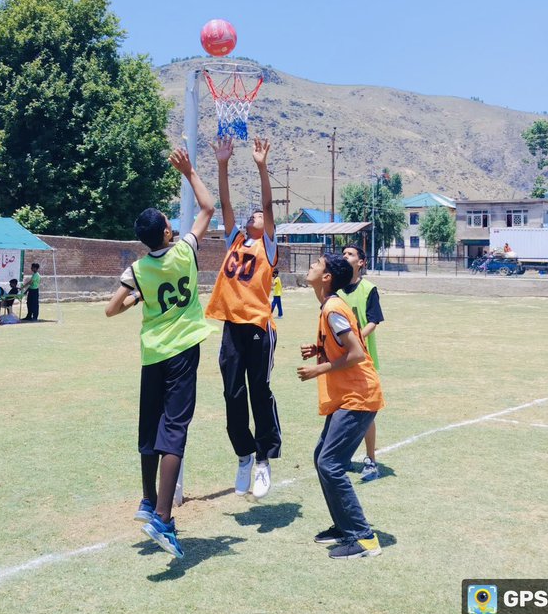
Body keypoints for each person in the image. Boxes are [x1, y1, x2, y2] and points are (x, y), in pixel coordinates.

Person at [105, 146, 215, 560]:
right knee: (174, 431)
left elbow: (111, 308)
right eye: (170, 222)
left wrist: (137, 300)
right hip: (183, 349)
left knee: (150, 428)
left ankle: (148, 500)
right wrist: (189, 172)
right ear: (168, 234)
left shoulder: (138, 270)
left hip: (152, 354)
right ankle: (164, 520)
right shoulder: (185, 251)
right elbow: (207, 207)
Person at [205, 136, 280, 500]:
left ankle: (265, 458)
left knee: (259, 392)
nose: (260, 215)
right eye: (256, 215)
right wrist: (223, 164)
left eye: (264, 216)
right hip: (232, 327)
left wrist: (261, 166)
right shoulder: (235, 240)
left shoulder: (268, 245)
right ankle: (244, 456)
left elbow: (267, 202)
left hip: (259, 328)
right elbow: (226, 203)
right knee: (232, 394)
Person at [298, 253, 384, 559]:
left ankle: (363, 538)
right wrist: (319, 349)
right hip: (348, 397)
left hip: (358, 397)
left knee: (330, 464)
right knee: (322, 457)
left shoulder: (333, 307)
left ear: (326, 278)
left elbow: (357, 353)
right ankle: (343, 525)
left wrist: (317, 369)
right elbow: (341, 344)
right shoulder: (329, 306)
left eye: (316, 264)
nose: (310, 266)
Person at [340, 244, 385, 481]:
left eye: (351, 254)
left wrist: (355, 339)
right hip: (340, 360)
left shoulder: (368, 288)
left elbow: (374, 320)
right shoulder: (335, 290)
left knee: (366, 412)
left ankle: (371, 460)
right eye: (343, 253)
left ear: (361, 262)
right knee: (341, 409)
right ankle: (343, 454)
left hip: (364, 359)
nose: (345, 256)